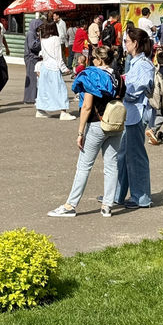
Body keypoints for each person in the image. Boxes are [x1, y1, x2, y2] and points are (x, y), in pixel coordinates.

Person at [47, 47, 123, 218]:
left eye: (93, 58)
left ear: (99, 59)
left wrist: (80, 132)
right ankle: (107, 205)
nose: (91, 61)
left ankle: (70, 205)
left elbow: (87, 106)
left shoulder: (92, 75)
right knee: (111, 165)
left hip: (96, 124)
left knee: (84, 166)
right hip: (115, 124)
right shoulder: (118, 76)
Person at [115, 27, 154, 209]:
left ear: (135, 43)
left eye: (127, 41)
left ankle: (141, 197)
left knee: (135, 156)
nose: (125, 44)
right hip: (131, 113)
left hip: (137, 114)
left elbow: (137, 89)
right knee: (123, 155)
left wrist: (120, 90)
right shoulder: (135, 62)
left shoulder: (144, 64)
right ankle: (117, 194)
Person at [36, 22, 75, 120]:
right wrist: (64, 68)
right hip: (54, 67)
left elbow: (43, 54)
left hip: (45, 67)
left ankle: (40, 110)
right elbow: (58, 56)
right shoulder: (56, 39)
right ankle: (63, 112)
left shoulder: (43, 39)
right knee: (61, 90)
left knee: (44, 90)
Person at [23, 17, 43, 104]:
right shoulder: (31, 34)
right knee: (31, 78)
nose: (40, 28)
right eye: (39, 26)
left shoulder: (34, 33)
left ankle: (32, 97)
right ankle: (29, 98)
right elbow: (32, 46)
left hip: (33, 57)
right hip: (30, 58)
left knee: (33, 78)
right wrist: (41, 42)